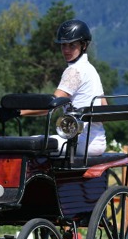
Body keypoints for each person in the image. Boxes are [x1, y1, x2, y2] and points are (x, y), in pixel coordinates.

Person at [36, 18, 107, 156]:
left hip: (79, 142)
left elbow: (51, 105)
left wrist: (18, 112)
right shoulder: (91, 70)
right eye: (63, 45)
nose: (66, 50)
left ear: (84, 46)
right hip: (98, 142)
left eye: (72, 45)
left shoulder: (74, 71)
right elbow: (104, 107)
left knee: (29, 144)